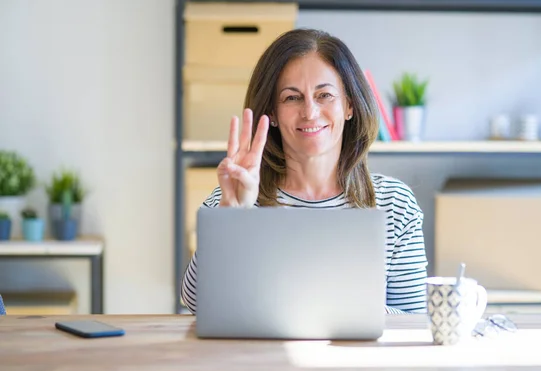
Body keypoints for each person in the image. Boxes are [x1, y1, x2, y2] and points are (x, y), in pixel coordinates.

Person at [181, 28, 428, 315]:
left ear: (349, 105)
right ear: (271, 113)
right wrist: (230, 217)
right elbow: (196, 302)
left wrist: (334, 304)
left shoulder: (395, 203)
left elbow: (414, 323)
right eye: (291, 98)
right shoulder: (234, 195)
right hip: (261, 360)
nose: (310, 112)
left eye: (324, 95)